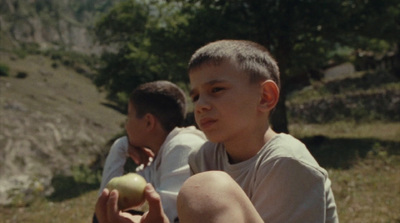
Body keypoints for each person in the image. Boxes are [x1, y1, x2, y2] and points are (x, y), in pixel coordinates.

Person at [176, 39, 339, 223]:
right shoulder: (203, 157)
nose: (200, 106)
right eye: (196, 96)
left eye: (216, 89)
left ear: (265, 97)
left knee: (207, 189)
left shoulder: (286, 161)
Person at [94, 80, 206, 223]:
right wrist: (120, 146)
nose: (126, 125)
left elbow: (172, 217)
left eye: (129, 117)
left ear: (148, 122)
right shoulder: (158, 158)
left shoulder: (183, 146)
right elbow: (105, 203)